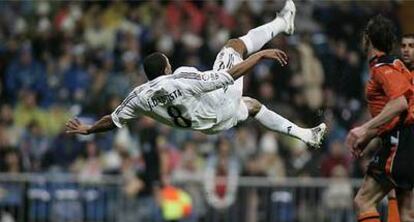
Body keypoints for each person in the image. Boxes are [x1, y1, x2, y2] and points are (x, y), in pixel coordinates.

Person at [65, 0, 326, 148]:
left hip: (211, 126)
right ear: (166, 68)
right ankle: (283, 22)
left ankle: (307, 135)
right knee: (234, 45)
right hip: (218, 105)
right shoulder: (180, 78)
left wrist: (88, 129)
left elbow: (113, 120)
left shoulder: (139, 97)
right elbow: (228, 76)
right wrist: (260, 55)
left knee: (253, 106)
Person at [346, 16, 414, 222]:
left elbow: (399, 105)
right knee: (407, 218)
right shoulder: (393, 65)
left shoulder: (383, 68)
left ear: (368, 39)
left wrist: (364, 129)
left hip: (403, 140)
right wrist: (369, 136)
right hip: (401, 138)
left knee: (364, 199)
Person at [377, 33, 414, 222]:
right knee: (394, 188)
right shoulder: (399, 73)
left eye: (411, 46)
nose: (407, 49)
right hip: (404, 136)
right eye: (404, 46)